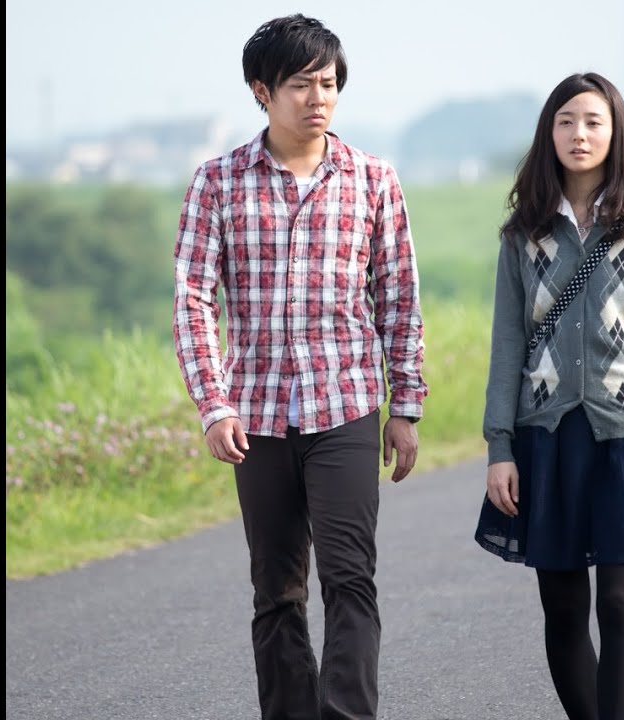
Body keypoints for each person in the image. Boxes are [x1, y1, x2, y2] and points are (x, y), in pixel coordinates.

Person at [172, 13, 427, 720]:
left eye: (328, 84)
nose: (318, 98)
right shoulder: (217, 182)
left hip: (345, 404)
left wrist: (405, 406)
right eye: (300, 85)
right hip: (255, 415)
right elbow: (194, 299)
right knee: (278, 591)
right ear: (262, 91)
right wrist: (214, 404)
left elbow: (398, 296)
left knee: (350, 579)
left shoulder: (373, 180)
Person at [474, 72, 624, 720]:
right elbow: (508, 344)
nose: (580, 134)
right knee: (564, 608)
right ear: (549, 132)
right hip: (547, 437)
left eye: (594, 122)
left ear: (615, 132)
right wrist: (499, 447)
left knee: (621, 602)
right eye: (567, 121)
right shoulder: (524, 232)